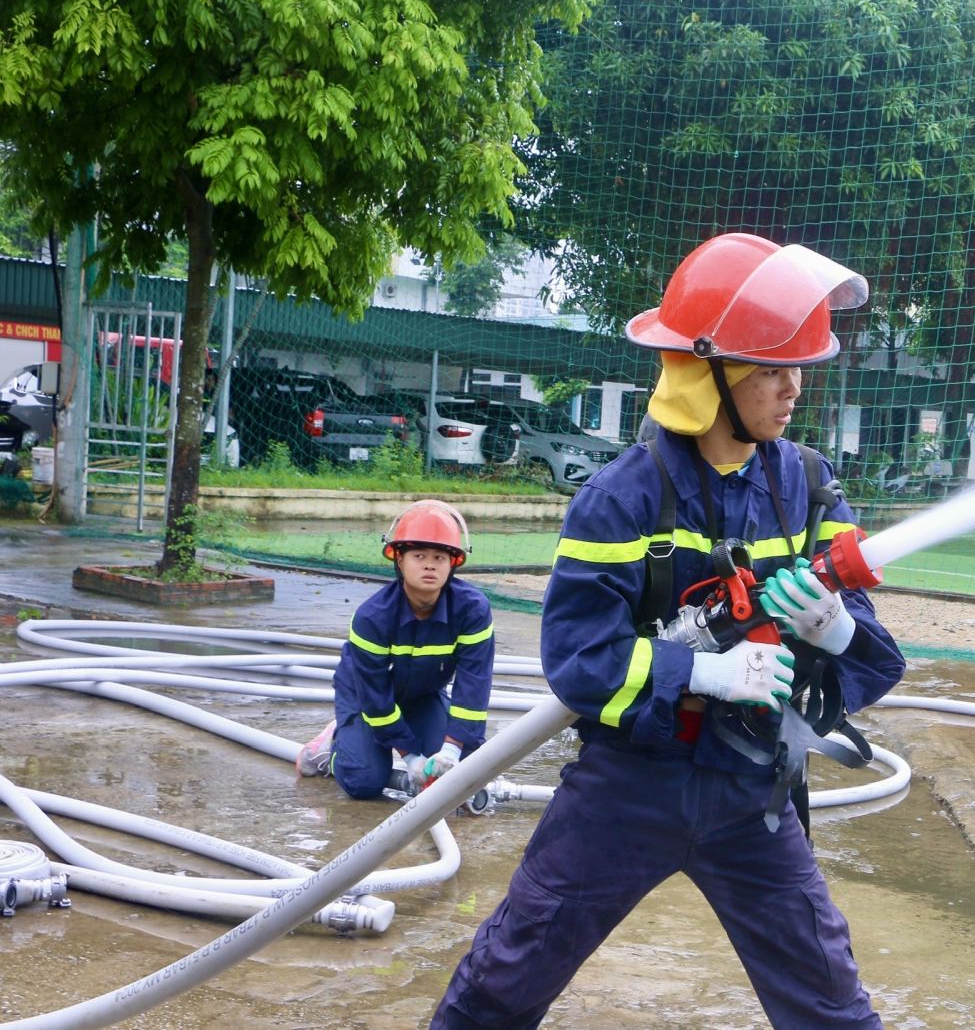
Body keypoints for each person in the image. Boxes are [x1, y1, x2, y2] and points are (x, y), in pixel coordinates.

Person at [431, 233, 906, 1029]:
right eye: (771, 367)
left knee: (833, 1004)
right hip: (629, 787)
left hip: (752, 788)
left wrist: (829, 631)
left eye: (798, 367)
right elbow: (579, 661)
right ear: (708, 371)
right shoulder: (621, 499)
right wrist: (703, 674)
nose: (793, 387)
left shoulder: (809, 485)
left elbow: (872, 657)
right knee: (502, 983)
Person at [297, 498, 496, 799]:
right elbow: (375, 700)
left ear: (453, 563)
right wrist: (411, 758)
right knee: (364, 781)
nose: (430, 564)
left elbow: (474, 688)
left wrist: (453, 750)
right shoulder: (372, 618)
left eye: (440, 557)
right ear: (398, 559)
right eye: (419, 555)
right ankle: (332, 747)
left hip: (422, 695)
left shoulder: (472, 611)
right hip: (365, 701)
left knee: (461, 775)